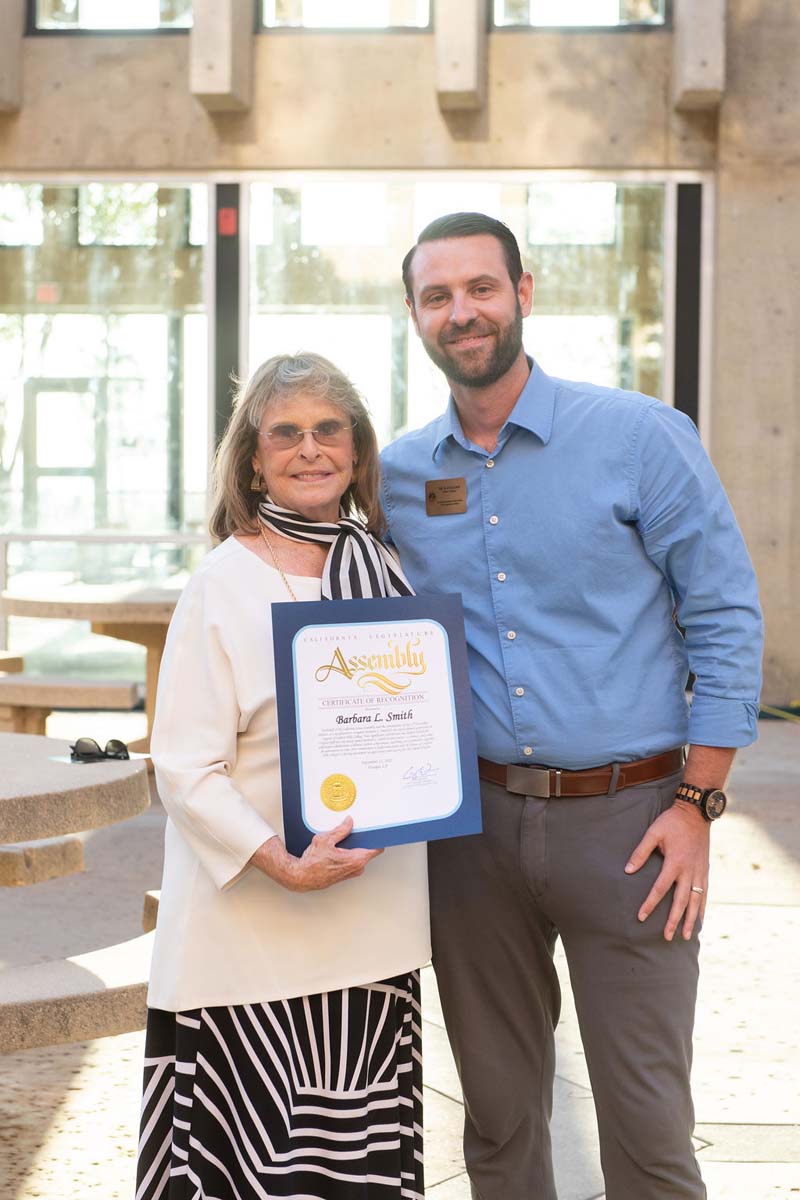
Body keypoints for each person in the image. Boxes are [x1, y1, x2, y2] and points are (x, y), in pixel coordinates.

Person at [380, 213, 763, 1200]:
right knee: (499, 1127)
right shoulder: (396, 477)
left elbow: (723, 617)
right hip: (468, 834)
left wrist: (698, 805)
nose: (461, 312)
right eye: (436, 296)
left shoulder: (638, 438)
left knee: (645, 1129)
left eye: (479, 287)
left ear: (522, 291)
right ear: (415, 317)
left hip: (631, 826)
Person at [136, 352, 429, 1200]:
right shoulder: (221, 585)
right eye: (286, 434)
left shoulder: (391, 572)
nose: (310, 449)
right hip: (246, 945)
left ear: (358, 451)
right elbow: (185, 767)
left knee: (358, 1171)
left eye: (328, 429)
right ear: (253, 460)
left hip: (374, 931)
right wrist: (279, 859)